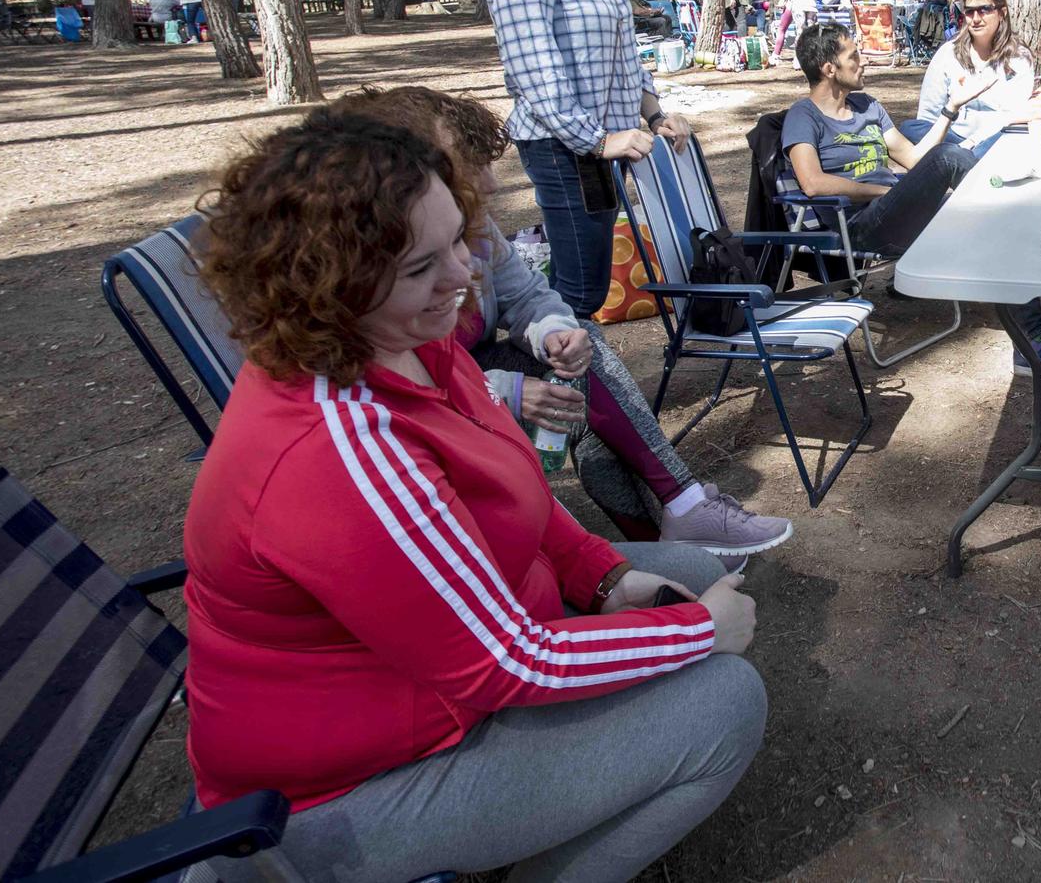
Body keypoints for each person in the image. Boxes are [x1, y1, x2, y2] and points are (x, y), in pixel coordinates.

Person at [184, 112, 766, 881]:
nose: (464, 274)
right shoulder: (339, 450)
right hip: (339, 797)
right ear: (333, 285)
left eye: (461, 237)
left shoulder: (408, 343)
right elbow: (506, 664)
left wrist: (602, 575)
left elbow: (516, 491)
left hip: (441, 678)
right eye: (424, 266)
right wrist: (698, 633)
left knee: (685, 567)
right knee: (726, 697)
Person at [333, 86, 794, 557]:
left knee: (581, 359)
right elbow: (388, 388)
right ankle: (676, 518)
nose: (492, 183)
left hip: (471, 368)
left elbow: (527, 294)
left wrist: (554, 330)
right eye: (470, 167)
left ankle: (666, 539)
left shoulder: (472, 226)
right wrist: (500, 390)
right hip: (446, 397)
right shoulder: (368, 274)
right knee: (587, 404)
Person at [487, 0, 693, 317]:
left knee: (586, 289)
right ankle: (547, 393)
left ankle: (566, 391)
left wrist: (654, 113)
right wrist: (599, 140)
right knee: (575, 296)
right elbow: (532, 64)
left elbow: (624, 51)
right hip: (566, 150)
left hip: (601, 148)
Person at [907, 0, 1041, 380]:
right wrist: (965, 123)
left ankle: (1032, 331)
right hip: (953, 146)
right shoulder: (947, 56)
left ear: (1002, 12)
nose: (975, 18)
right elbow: (925, 122)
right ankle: (1033, 345)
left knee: (1017, 195)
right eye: (969, 11)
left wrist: (980, 128)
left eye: (984, 10)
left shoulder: (1018, 60)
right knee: (1006, 210)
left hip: (993, 147)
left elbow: (1013, 118)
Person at [782, 23, 983, 259]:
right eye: (854, 56)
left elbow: (914, 159)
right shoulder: (803, 116)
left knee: (966, 209)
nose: (864, 61)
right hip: (860, 226)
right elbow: (813, 183)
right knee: (948, 157)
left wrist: (951, 108)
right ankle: (1013, 207)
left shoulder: (867, 106)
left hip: (895, 209)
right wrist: (884, 192)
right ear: (829, 69)